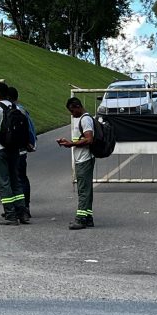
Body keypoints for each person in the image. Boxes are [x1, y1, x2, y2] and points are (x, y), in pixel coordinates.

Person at [0, 82, 28, 225]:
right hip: (15, 150)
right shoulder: (17, 108)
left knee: (4, 182)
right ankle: (22, 212)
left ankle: (10, 215)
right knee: (16, 180)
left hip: (0, 149)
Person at [57, 97, 95, 230]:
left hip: (84, 159)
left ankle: (81, 219)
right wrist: (68, 142)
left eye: (72, 111)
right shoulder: (83, 119)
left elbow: (89, 139)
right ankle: (88, 217)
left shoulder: (85, 119)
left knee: (83, 190)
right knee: (85, 189)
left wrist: (71, 144)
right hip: (82, 158)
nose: (71, 114)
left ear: (78, 106)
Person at [6, 87, 37, 217]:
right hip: (22, 149)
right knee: (21, 177)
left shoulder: (10, 110)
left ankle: (18, 207)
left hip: (12, 149)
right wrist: (31, 143)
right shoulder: (23, 110)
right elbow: (30, 128)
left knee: (15, 178)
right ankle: (24, 207)